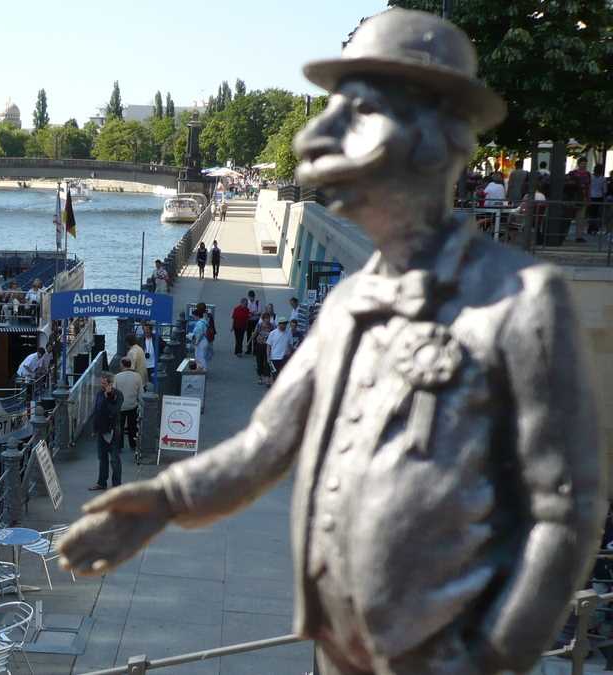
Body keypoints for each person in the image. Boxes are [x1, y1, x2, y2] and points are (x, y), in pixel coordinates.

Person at [57, 11, 603, 675]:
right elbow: (265, 446)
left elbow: (566, 509)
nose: (319, 135)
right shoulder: (348, 305)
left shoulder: (520, 300)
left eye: (359, 111)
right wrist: (165, 501)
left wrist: (496, 654)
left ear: (433, 136)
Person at [89, 371, 123, 491]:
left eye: (104, 382)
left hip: (113, 430)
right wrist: (94, 428)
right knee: (102, 458)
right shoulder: (99, 394)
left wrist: (108, 397)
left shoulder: (118, 395)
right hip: (101, 430)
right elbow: (97, 411)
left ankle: (117, 485)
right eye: (102, 381)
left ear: (110, 383)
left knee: (114, 460)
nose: (102, 384)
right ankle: (101, 482)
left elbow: (114, 410)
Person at [113, 358, 143, 459]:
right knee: (132, 426)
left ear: (122, 365)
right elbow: (140, 393)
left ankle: (119, 446)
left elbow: (113, 392)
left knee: (119, 427)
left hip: (120, 406)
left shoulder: (117, 377)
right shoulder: (137, 377)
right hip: (132, 405)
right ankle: (133, 444)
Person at [251, 312, 275, 385]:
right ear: (263, 319)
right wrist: (250, 342)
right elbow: (255, 333)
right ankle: (260, 377)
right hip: (259, 345)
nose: (267, 320)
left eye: (268, 318)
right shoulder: (259, 325)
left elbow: (274, 335)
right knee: (259, 361)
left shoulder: (272, 326)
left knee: (267, 362)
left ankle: (267, 378)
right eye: (265, 318)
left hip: (268, 346)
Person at [188, 302, 213, 370]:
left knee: (200, 356)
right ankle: (201, 369)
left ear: (197, 316)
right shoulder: (204, 321)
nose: (193, 317)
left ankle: (203, 370)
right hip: (205, 341)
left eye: (194, 316)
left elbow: (200, 334)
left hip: (201, 342)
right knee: (202, 356)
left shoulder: (199, 323)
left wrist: (196, 342)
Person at [244, 290, 261, 355]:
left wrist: (253, 314)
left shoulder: (257, 302)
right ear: (248, 297)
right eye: (250, 297)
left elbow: (259, 311)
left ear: (254, 297)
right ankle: (249, 349)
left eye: (252, 297)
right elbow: (245, 311)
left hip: (255, 321)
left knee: (255, 335)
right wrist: (250, 313)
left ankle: (255, 350)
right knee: (248, 335)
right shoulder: (247, 303)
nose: (251, 298)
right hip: (248, 321)